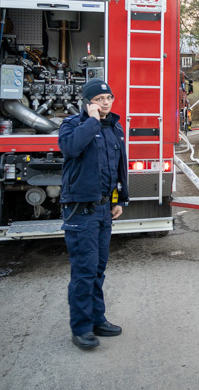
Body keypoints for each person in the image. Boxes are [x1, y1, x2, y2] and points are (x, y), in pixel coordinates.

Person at [58, 78, 129, 350]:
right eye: (100, 99)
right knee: (84, 271)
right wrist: (91, 121)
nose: (106, 102)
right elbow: (71, 148)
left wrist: (119, 198)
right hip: (81, 211)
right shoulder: (73, 126)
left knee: (98, 269)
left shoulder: (115, 128)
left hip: (103, 210)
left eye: (109, 97)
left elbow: (117, 166)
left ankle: (97, 319)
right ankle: (81, 329)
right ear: (88, 103)